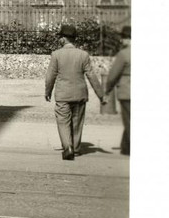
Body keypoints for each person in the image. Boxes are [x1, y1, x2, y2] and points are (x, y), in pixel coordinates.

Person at [44, 22, 104, 160]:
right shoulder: (83, 55)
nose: (59, 39)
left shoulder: (56, 54)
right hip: (80, 94)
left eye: (60, 37)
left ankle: (67, 147)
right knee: (77, 122)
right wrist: (101, 95)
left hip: (63, 95)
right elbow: (92, 76)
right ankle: (76, 148)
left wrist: (48, 91)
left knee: (63, 121)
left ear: (63, 38)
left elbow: (50, 76)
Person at [103, 24, 131, 156]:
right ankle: (125, 148)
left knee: (129, 120)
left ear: (127, 38)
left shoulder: (124, 54)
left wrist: (107, 90)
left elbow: (113, 75)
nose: (122, 40)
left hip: (127, 92)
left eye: (123, 38)